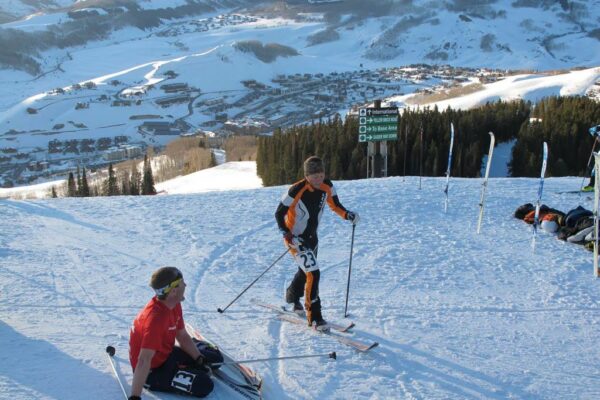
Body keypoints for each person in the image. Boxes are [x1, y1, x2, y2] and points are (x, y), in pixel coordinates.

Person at [275, 156, 359, 331]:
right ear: (307, 176)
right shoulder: (295, 190)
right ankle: (314, 317)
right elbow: (279, 214)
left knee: (305, 272)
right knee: (313, 272)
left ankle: (291, 297)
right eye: (314, 177)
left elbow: (335, 205)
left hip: (312, 238)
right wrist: (288, 235)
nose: (318, 180)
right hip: (295, 239)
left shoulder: (327, 186)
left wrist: (347, 215)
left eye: (321, 175)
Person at [128, 266, 223, 400]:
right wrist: (135, 396)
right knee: (204, 385)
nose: (185, 285)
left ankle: (195, 352)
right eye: (182, 282)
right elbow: (144, 360)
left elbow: (182, 335)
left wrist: (198, 358)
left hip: (166, 354)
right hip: (152, 372)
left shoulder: (173, 304)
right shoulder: (156, 320)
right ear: (173, 291)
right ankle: (183, 371)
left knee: (216, 359)